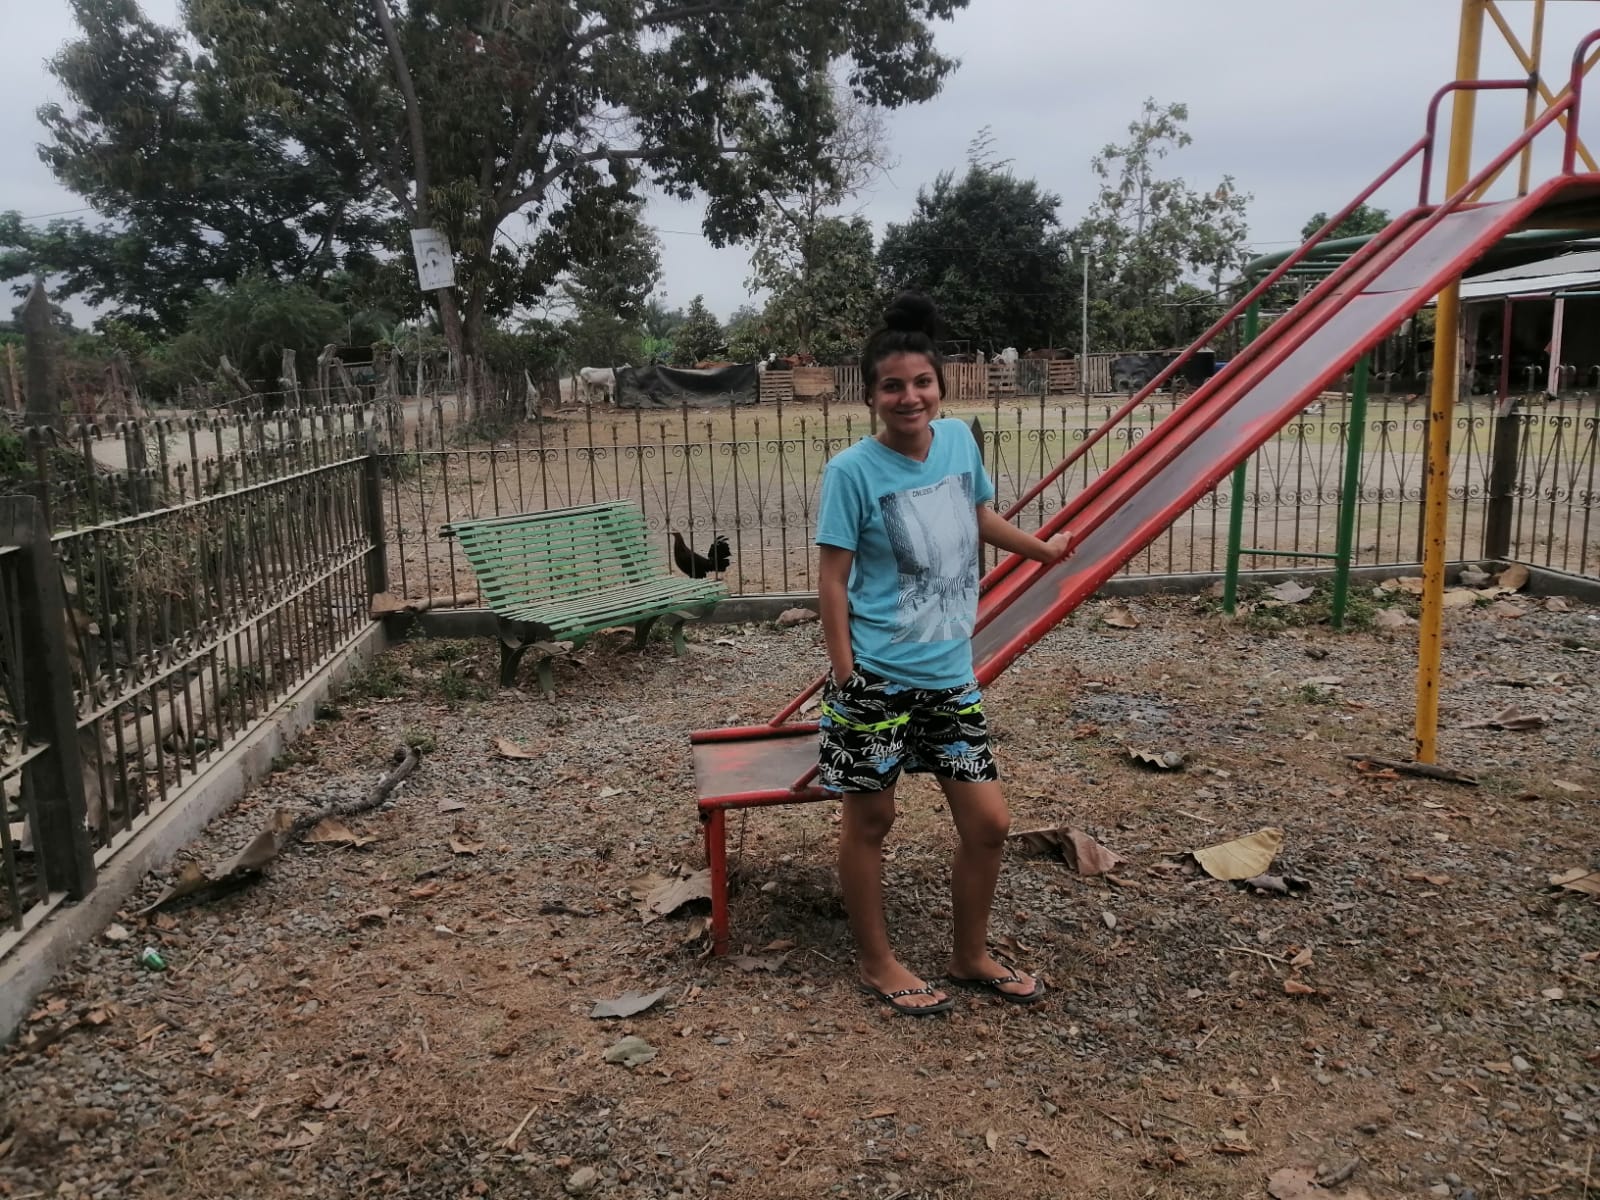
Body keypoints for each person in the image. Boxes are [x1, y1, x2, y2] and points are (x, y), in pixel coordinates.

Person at [815, 293, 1074, 1016]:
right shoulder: (852, 472)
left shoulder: (959, 441)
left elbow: (979, 514)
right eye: (892, 386)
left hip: (949, 678)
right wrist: (847, 677)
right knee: (871, 821)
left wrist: (1042, 550)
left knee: (989, 824)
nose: (910, 397)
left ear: (940, 384)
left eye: (921, 383)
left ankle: (969, 955)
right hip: (876, 679)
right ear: (871, 395)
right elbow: (832, 581)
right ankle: (877, 962)